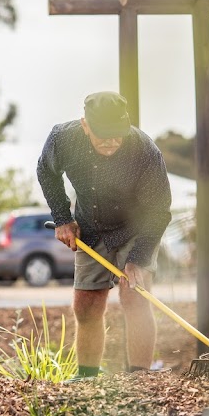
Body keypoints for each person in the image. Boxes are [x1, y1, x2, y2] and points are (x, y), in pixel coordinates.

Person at [36, 91, 172, 377]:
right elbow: (45, 171)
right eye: (103, 135)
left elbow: (159, 211)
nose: (111, 142)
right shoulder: (63, 138)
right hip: (91, 227)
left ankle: (139, 378)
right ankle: (86, 378)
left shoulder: (144, 150)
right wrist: (62, 218)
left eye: (117, 135)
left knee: (135, 295)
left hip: (136, 228)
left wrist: (138, 259)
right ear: (85, 125)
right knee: (86, 304)